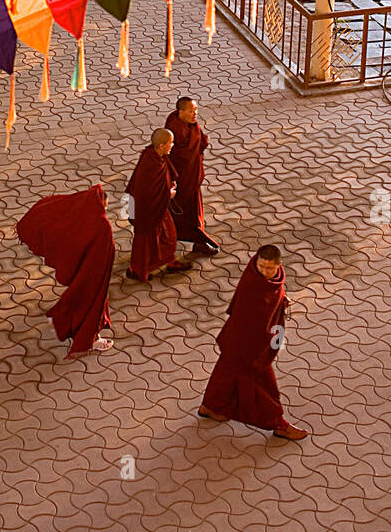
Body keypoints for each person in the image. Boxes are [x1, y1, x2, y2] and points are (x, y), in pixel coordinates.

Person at [198, 244, 308, 440]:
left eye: (269, 268)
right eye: (261, 266)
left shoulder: (273, 279)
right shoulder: (253, 283)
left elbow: (271, 298)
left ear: (279, 266)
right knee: (263, 385)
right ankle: (277, 423)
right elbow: (249, 315)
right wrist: (257, 353)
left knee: (226, 373)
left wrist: (282, 299)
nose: (264, 271)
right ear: (255, 261)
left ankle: (211, 406)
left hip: (240, 342)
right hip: (248, 344)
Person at [16, 184, 115, 357]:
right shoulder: (101, 226)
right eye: (105, 207)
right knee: (91, 307)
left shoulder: (80, 216)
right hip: (93, 275)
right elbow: (104, 252)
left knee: (82, 300)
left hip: (82, 270)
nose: (105, 211)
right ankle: (89, 339)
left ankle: (63, 322)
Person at [125, 129, 193, 281]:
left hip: (157, 208)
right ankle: (137, 270)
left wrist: (170, 183)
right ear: (162, 145)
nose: (173, 145)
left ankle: (169, 261)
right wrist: (168, 195)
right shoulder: (150, 164)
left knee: (168, 235)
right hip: (146, 211)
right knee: (145, 243)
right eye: (171, 143)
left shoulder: (156, 155)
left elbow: (165, 175)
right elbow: (147, 192)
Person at [165, 96, 219, 255]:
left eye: (196, 110)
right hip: (182, 179)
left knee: (192, 212)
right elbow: (184, 154)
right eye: (191, 111)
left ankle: (195, 241)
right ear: (181, 112)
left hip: (191, 177)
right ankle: (196, 242)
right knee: (188, 214)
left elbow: (199, 142)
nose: (195, 114)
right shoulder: (176, 129)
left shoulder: (189, 124)